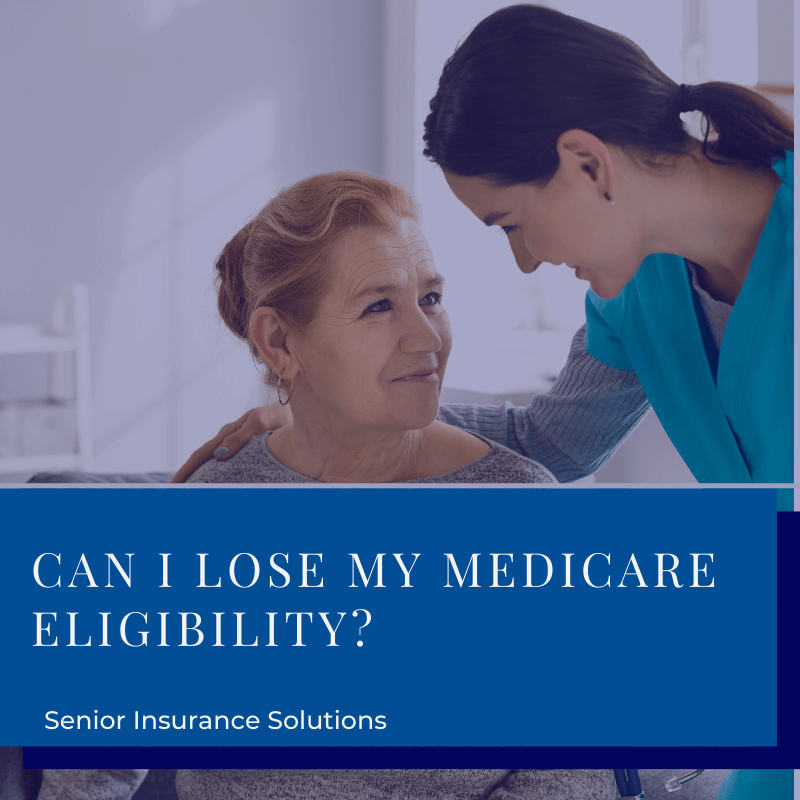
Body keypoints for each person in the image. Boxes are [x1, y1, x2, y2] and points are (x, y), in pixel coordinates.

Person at [174, 5, 793, 511]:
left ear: (587, 164)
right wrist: (324, 419)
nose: (525, 261)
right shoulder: (635, 295)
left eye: (512, 225)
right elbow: (550, 443)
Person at [185, 170, 553, 485]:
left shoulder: (517, 496)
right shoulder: (217, 490)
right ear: (279, 343)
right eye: (378, 306)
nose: (430, 337)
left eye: (431, 299)